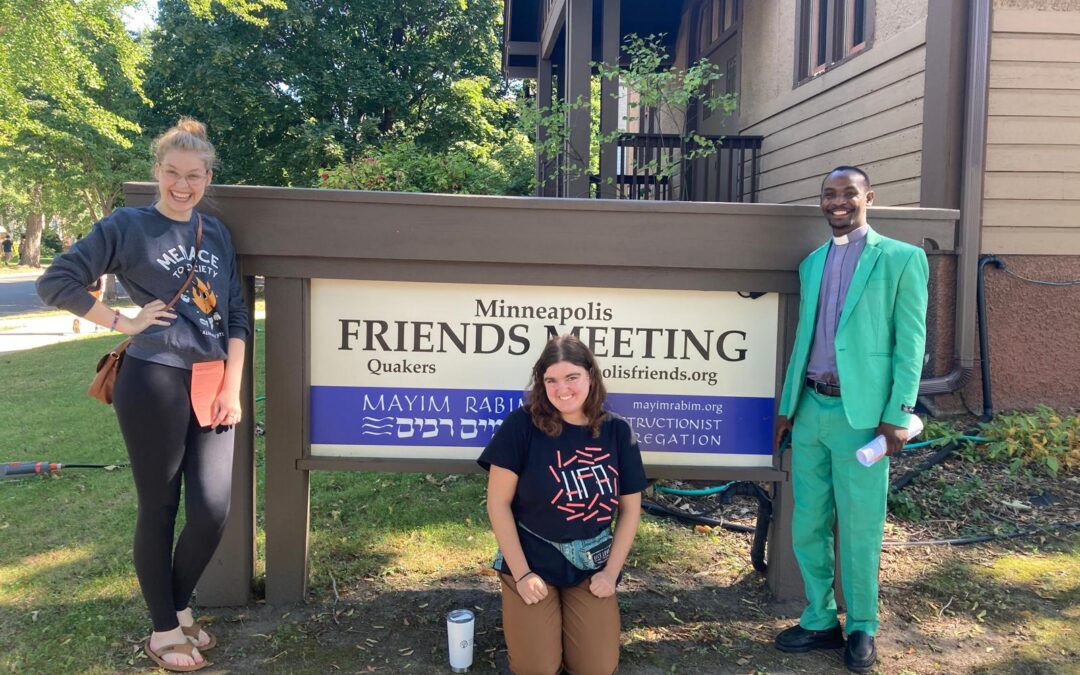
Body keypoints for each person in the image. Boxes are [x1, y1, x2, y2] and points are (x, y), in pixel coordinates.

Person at [37, 118, 249, 672]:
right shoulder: (128, 225)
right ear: (157, 171)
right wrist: (121, 322)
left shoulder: (216, 232)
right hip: (152, 376)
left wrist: (233, 384)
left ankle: (177, 606)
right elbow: (55, 280)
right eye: (173, 173)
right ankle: (164, 629)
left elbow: (236, 315)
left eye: (194, 176)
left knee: (212, 509)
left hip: (211, 381)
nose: (183, 186)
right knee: (160, 505)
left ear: (208, 177)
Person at [772, 166, 928, 673]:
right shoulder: (813, 263)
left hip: (863, 418)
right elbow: (805, 340)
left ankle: (862, 624)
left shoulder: (903, 260)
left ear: (868, 198)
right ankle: (819, 618)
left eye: (848, 193)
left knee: (860, 527)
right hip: (812, 409)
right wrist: (786, 407)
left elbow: (911, 345)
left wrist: (899, 413)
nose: (838, 202)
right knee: (807, 523)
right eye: (829, 194)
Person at [478, 334, 647, 675]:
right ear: (542, 384)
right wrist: (523, 574)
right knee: (537, 668)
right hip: (533, 559)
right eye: (551, 380)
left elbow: (630, 510)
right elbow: (498, 504)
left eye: (572, 377)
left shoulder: (617, 432)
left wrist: (610, 574)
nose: (562, 389)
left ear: (590, 377)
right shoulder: (520, 426)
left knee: (596, 667)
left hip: (591, 564)